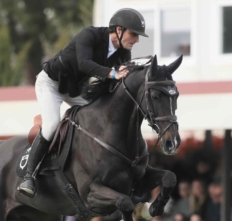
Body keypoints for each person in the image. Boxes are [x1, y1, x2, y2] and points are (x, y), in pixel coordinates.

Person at [18, 8, 148, 197]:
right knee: (52, 124)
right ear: (119, 30)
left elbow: (119, 79)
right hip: (51, 84)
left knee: (98, 120)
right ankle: (29, 176)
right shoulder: (90, 35)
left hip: (75, 89)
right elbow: (84, 63)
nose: (136, 40)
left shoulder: (123, 53)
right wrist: (112, 73)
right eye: (134, 34)